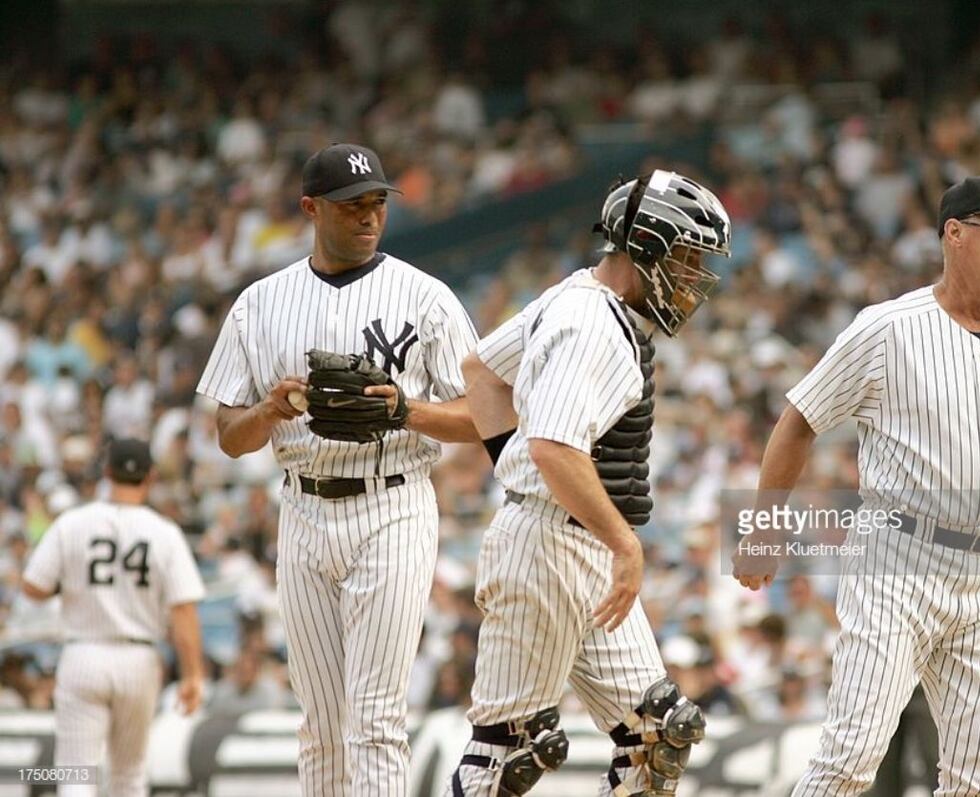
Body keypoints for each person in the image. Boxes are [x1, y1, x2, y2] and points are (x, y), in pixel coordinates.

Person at [735, 175, 980, 795]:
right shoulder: (887, 328)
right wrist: (763, 530)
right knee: (850, 761)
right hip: (896, 560)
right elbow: (798, 422)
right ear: (954, 234)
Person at [196, 143, 480, 795]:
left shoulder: (425, 296)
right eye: (353, 205)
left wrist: (407, 411)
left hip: (393, 502)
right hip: (301, 506)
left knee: (375, 718)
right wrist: (268, 409)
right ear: (310, 208)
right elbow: (230, 438)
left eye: (377, 202)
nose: (368, 216)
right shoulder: (260, 303)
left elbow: (482, 417)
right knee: (321, 725)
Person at [447, 170, 731, 796]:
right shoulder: (592, 325)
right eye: (685, 257)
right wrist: (619, 541)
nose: (693, 278)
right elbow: (552, 445)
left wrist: (514, 470)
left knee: (658, 736)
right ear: (648, 245)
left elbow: (483, 372)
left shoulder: (576, 296)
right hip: (553, 548)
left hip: (569, 541)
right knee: (507, 755)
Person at [21, 438, 205, 797]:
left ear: (107, 473)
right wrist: (193, 674)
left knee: (76, 775)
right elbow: (183, 609)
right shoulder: (164, 532)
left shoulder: (73, 523)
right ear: (151, 477)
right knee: (130, 776)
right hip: (139, 657)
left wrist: (67, 583)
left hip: (83, 652)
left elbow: (33, 586)